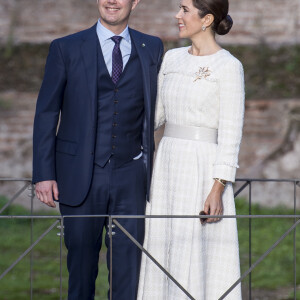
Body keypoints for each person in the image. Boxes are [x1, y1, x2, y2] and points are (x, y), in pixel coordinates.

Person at [32, 0, 164, 298]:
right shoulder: (65, 47)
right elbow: (46, 113)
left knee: (129, 268)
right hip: (79, 174)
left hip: (131, 174)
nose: (111, 1)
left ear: (135, 2)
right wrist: (43, 173)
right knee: (80, 266)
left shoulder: (152, 47)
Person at [138, 0, 244, 299]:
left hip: (204, 169)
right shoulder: (171, 59)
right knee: (164, 244)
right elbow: (155, 117)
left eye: (185, 9)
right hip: (168, 164)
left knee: (200, 251)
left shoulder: (229, 66)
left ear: (207, 18)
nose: (177, 16)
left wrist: (218, 187)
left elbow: (231, 133)